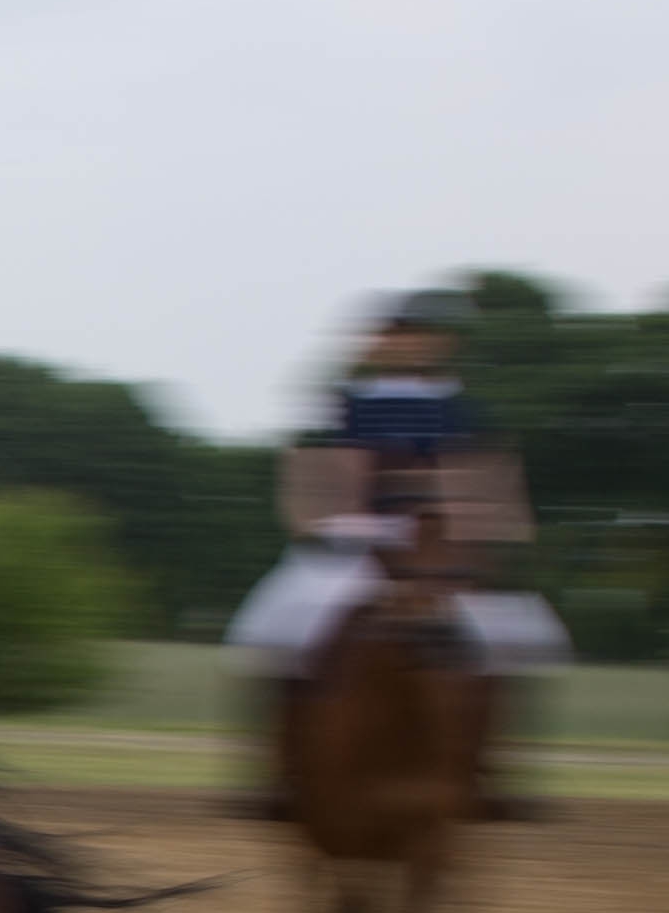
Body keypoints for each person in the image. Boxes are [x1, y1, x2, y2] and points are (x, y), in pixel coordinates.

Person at [223, 291, 567, 816]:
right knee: (279, 625)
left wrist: (481, 526)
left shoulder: (465, 411)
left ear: (440, 344)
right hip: (357, 543)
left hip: (441, 549)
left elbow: (486, 483)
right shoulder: (347, 405)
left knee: (515, 634)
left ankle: (487, 771)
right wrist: (342, 516)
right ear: (377, 343)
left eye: (418, 335)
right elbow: (315, 477)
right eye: (396, 335)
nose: (407, 344)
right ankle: (279, 772)